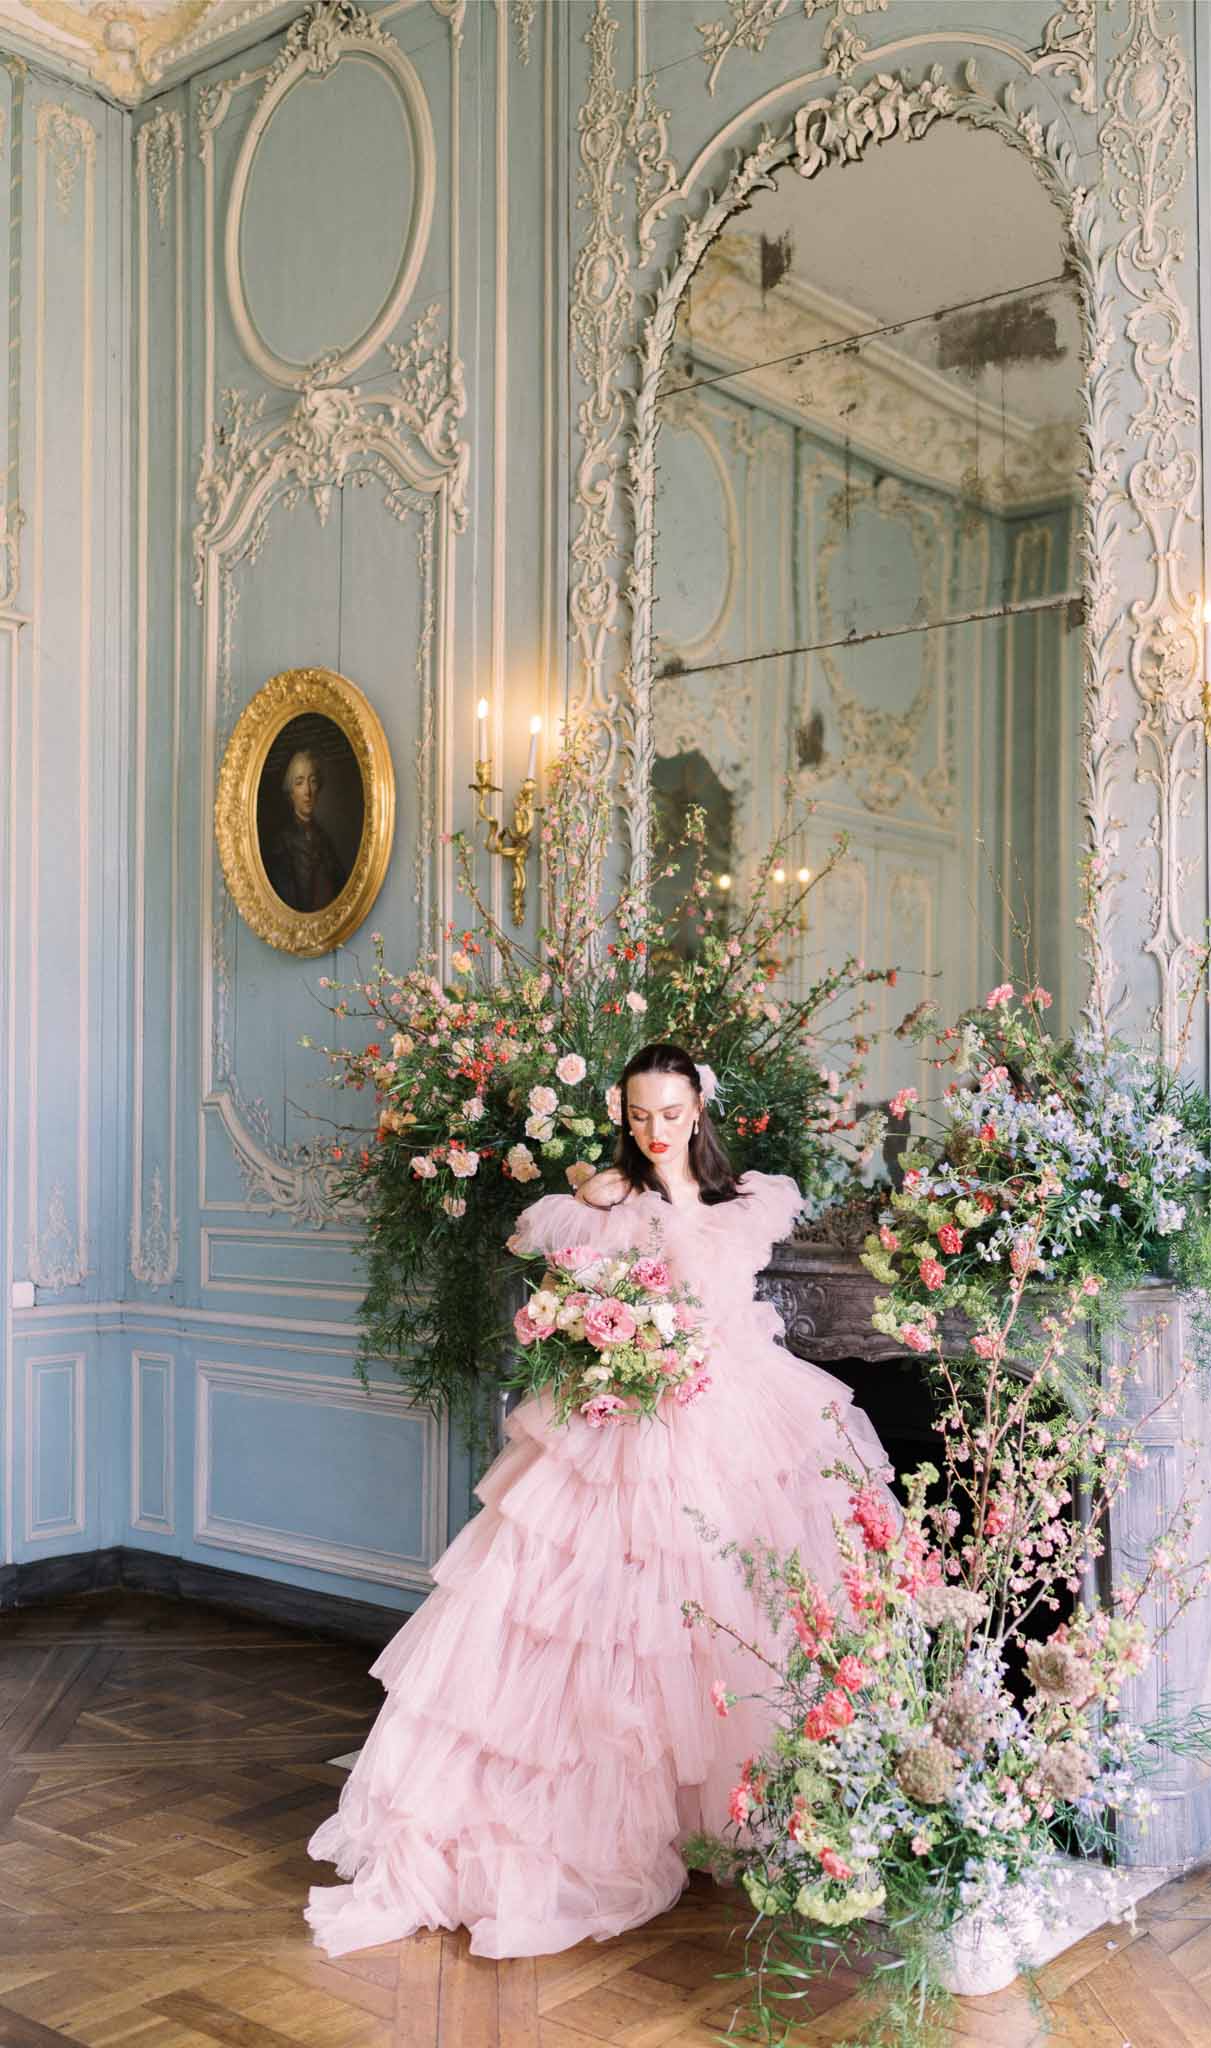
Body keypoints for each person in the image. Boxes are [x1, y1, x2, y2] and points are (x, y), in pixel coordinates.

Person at [304, 1041, 894, 1961]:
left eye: (668, 1113)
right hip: (629, 1418)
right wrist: (600, 1234)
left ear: (698, 1108)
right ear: (622, 1116)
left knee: (723, 1609)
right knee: (601, 1627)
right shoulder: (606, 1205)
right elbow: (560, 1284)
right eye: (637, 1116)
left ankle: (736, 1811)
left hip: (733, 1415)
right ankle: (582, 1821)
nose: (653, 1132)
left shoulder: (751, 1204)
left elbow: (732, 1311)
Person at [263, 747, 348, 913]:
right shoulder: (281, 844)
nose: (307, 791)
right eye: (299, 782)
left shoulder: (324, 840)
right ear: (291, 792)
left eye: (313, 781)